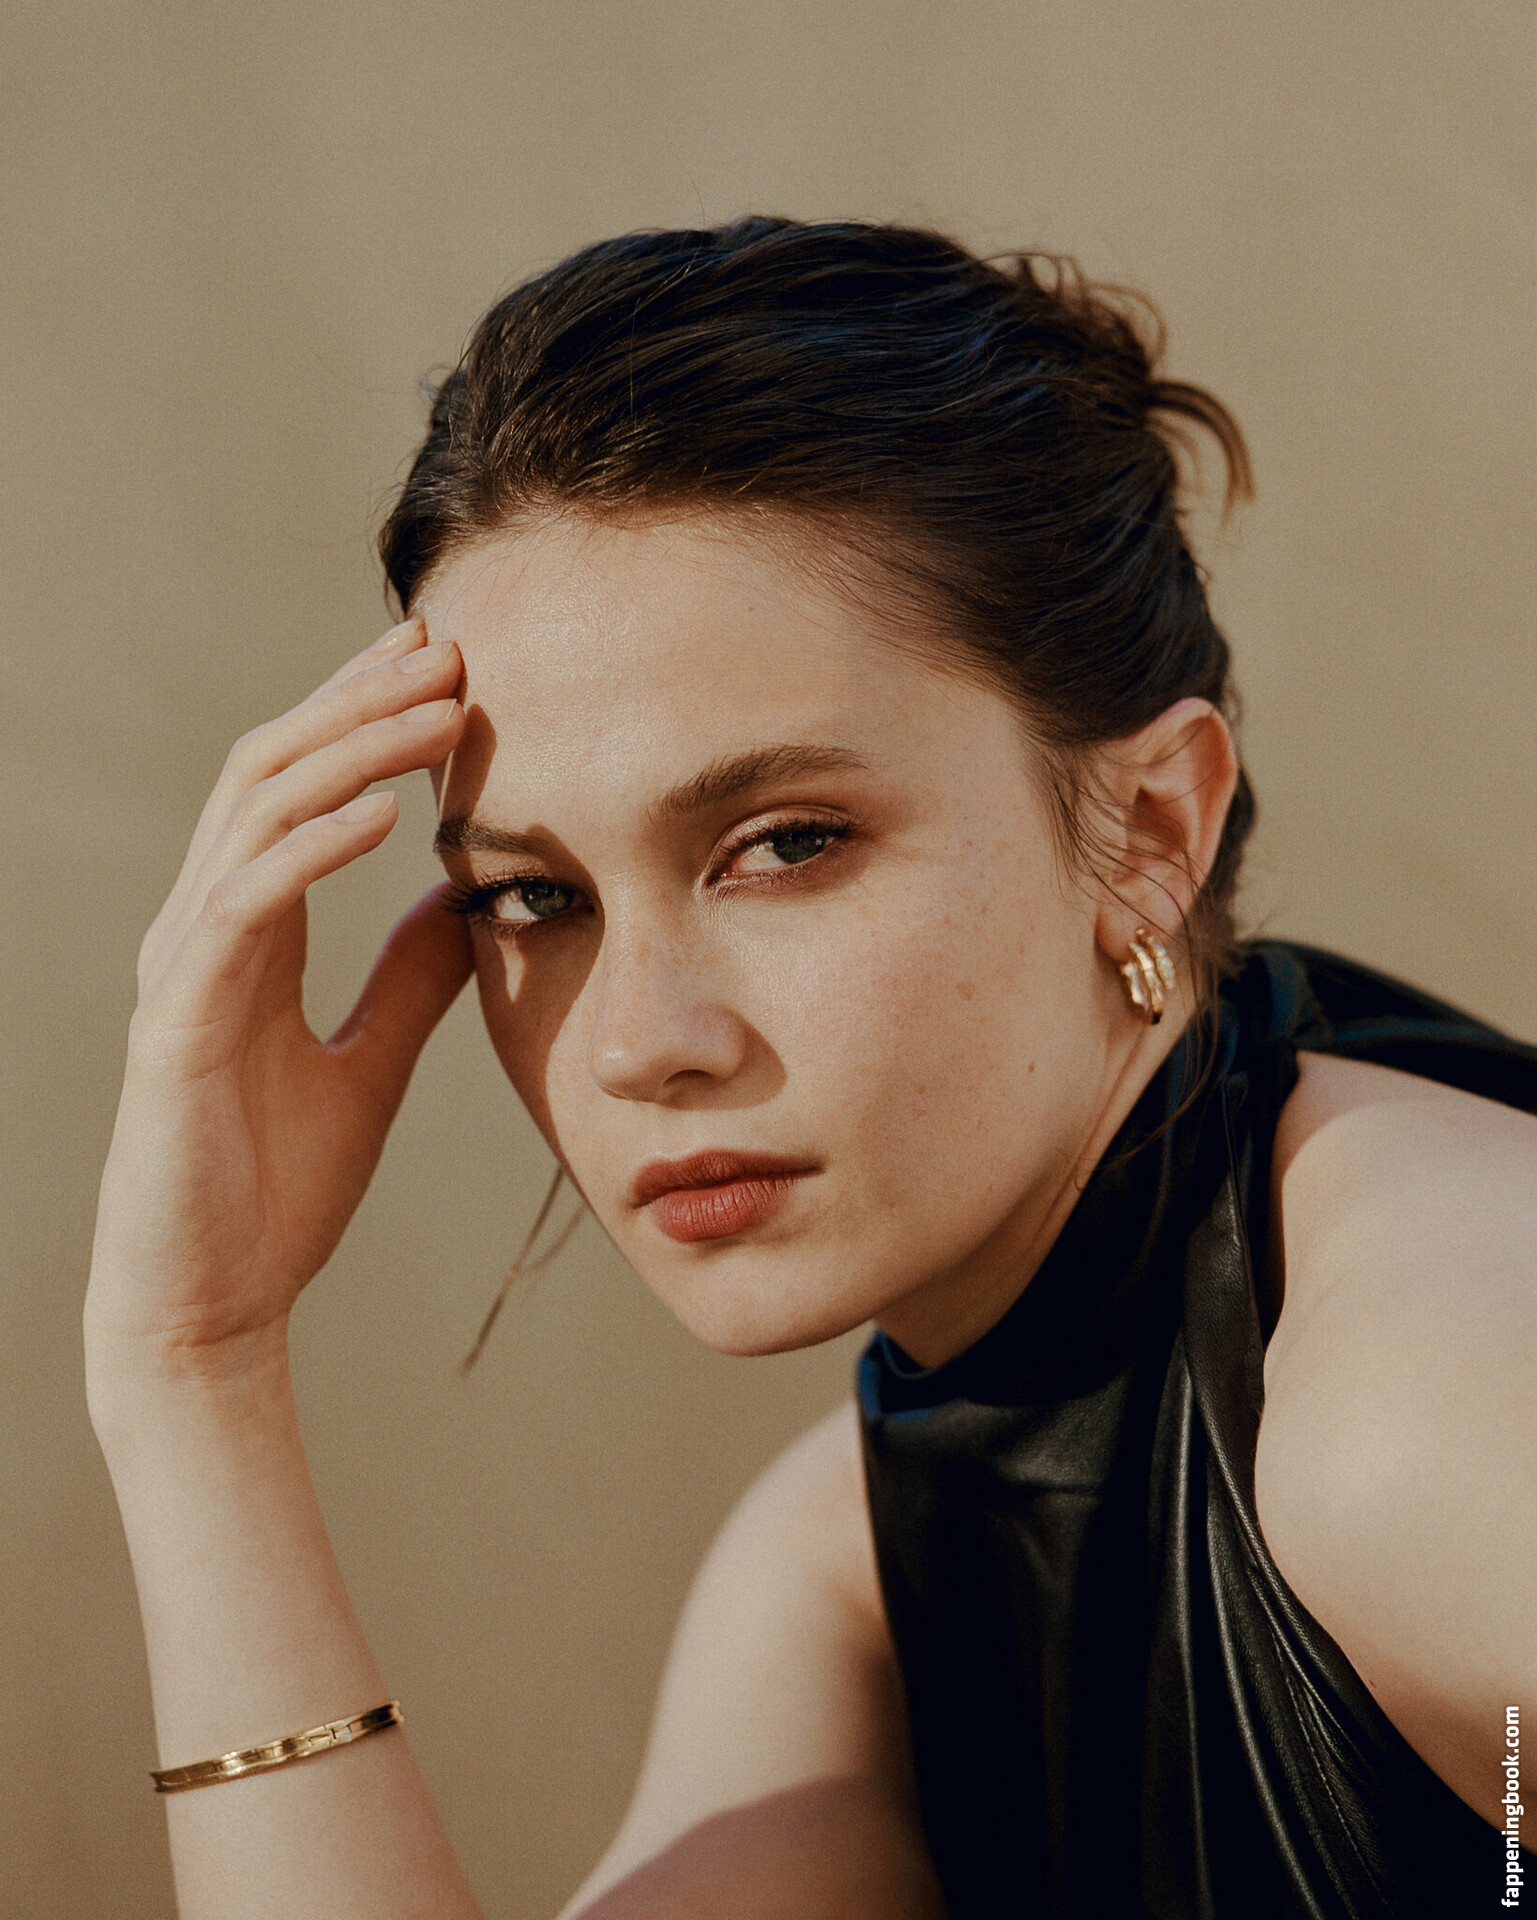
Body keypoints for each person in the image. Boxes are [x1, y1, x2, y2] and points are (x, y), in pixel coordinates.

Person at [86, 218, 1536, 1919]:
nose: (636, 1043)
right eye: (532, 896)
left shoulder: (1429, 1401)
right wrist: (193, 1375)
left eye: (783, 844)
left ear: (1150, 828)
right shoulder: (851, 1554)